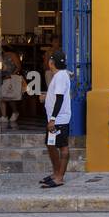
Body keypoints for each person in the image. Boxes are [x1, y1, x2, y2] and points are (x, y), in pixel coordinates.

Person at [41, 51, 72, 188]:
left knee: (63, 147)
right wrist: (46, 97)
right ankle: (56, 172)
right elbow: (57, 95)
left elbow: (59, 99)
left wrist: (53, 119)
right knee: (50, 144)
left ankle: (59, 177)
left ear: (51, 63)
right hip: (55, 118)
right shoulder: (60, 75)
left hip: (59, 119)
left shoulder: (60, 76)